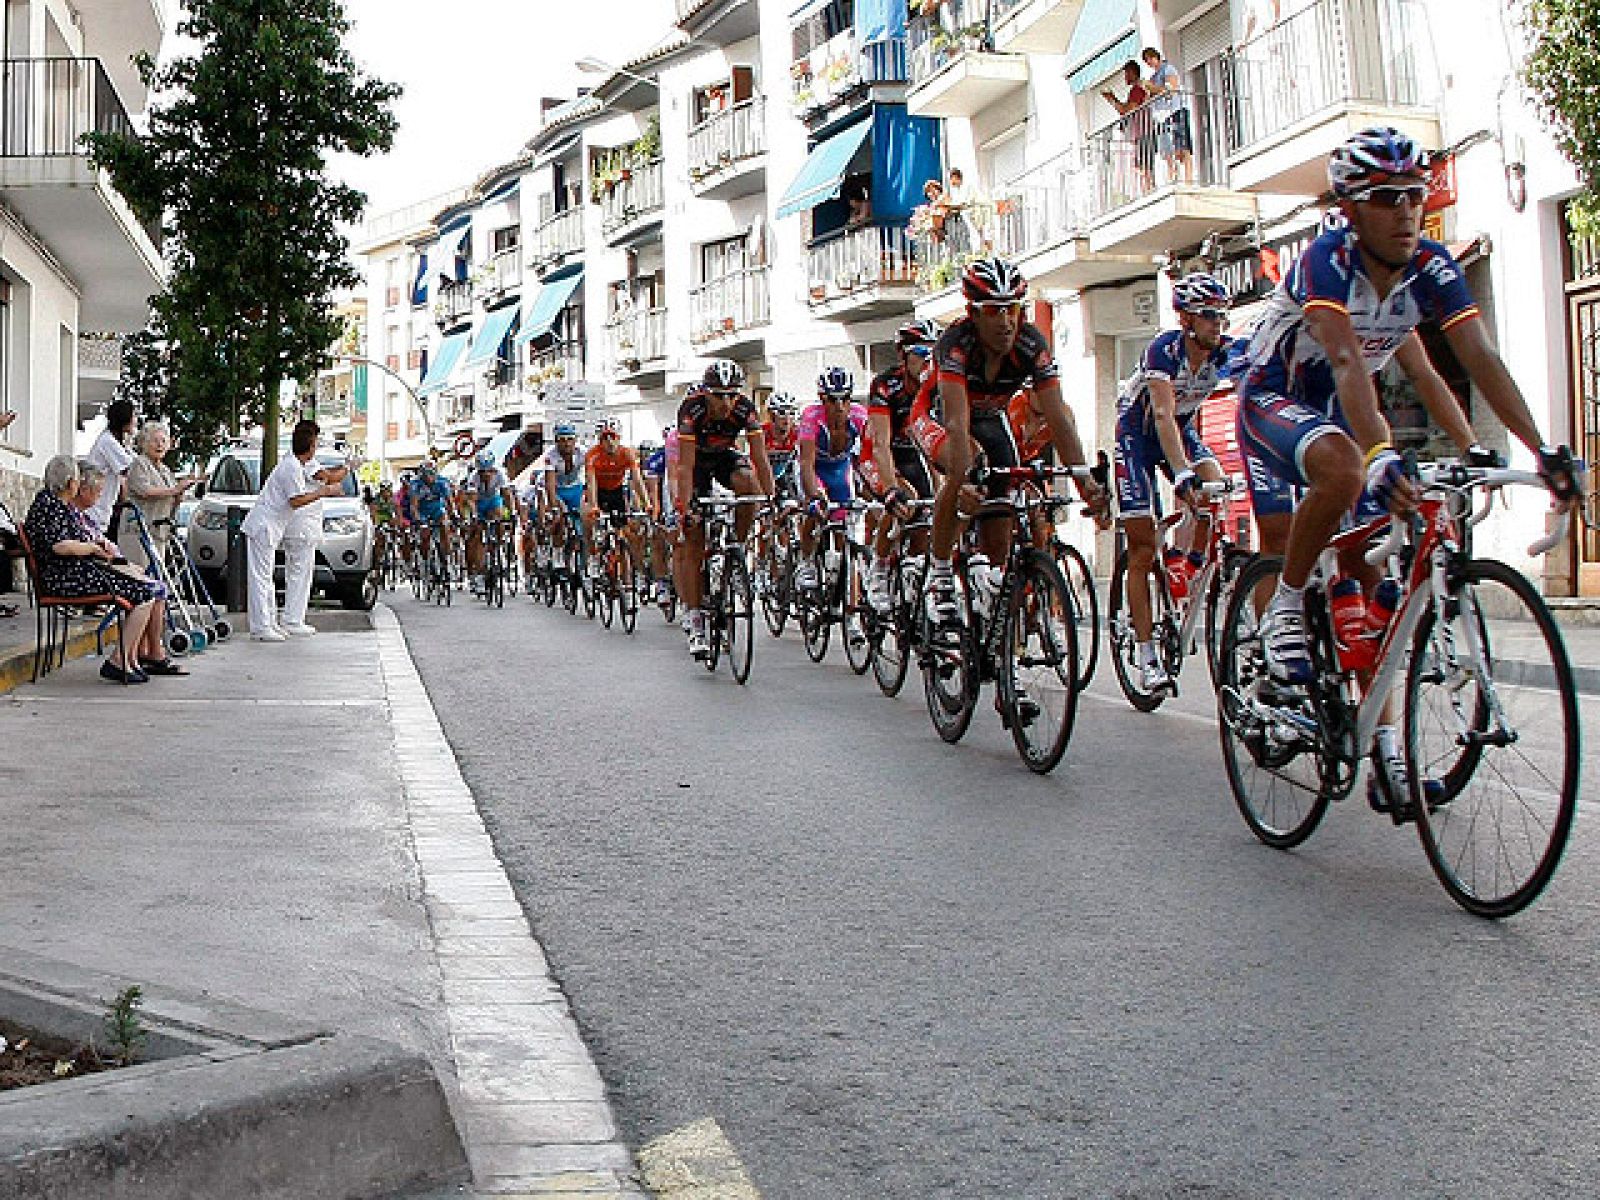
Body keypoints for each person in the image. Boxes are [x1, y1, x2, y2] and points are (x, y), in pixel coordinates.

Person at [1237, 126, 1581, 811]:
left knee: (1370, 581)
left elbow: (1474, 360)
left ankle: (1385, 747)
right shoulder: (1327, 262)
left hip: (1346, 414)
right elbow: (1344, 362)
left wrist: (1538, 450)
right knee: (1345, 467)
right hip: (1276, 401)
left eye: (1415, 195)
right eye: (1386, 197)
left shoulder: (1430, 268)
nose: (1406, 211)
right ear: (1350, 208)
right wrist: (1379, 453)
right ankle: (1286, 606)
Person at [923, 256, 1106, 624]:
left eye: (1014, 309)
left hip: (990, 417)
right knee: (963, 467)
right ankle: (939, 574)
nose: (1006, 321)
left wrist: (1085, 481)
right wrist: (963, 478)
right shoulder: (956, 344)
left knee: (1003, 503)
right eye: (994, 310)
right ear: (974, 313)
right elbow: (957, 423)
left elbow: (1059, 419)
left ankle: (989, 605)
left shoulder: (1031, 343)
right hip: (939, 414)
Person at [1114, 272, 1235, 693]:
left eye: (1221, 315)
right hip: (1137, 437)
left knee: (1216, 488)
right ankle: (1147, 657)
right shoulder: (1164, 350)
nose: (1217, 324)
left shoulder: (1223, 352)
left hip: (1181, 432)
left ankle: (1188, 564)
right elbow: (1162, 415)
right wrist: (1181, 473)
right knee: (1143, 546)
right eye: (1208, 316)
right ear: (1186, 320)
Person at [24, 455, 169, 682]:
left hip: (71, 573)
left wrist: (96, 549)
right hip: (65, 578)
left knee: (144, 589)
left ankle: (129, 659)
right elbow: (61, 546)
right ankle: (119, 661)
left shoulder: (53, 504)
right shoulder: (51, 506)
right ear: (71, 483)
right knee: (144, 594)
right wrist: (92, 548)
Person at [675, 361, 776, 659]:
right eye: (719, 396)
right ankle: (695, 617)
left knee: (749, 485)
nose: (726, 402)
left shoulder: (745, 408)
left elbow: (760, 458)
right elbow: (685, 467)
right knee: (694, 538)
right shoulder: (691, 409)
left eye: (732, 395)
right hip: (697, 465)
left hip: (723, 458)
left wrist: (770, 498)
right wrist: (686, 508)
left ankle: (736, 547)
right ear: (706, 393)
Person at [241, 421, 346, 642]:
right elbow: (296, 500)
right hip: (264, 525)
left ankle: (269, 622)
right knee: (261, 578)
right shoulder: (291, 467)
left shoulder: (294, 465)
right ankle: (261, 626)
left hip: (270, 527)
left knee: (265, 577)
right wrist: (324, 491)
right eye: (315, 444)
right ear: (310, 447)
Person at [864, 318, 941, 610]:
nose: (928, 361)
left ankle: (913, 575)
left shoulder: (939, 385)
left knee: (927, 513)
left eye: (933, 353)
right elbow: (880, 445)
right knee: (902, 499)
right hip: (878, 455)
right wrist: (890, 489)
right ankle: (879, 568)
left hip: (913, 455)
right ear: (903, 355)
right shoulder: (886, 385)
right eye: (921, 353)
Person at [794, 367, 870, 592]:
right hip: (814, 469)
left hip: (839, 469)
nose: (839, 406)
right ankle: (806, 562)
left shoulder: (859, 416)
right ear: (822, 398)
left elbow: (869, 458)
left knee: (842, 522)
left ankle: (840, 578)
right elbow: (806, 464)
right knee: (814, 509)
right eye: (832, 399)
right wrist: (814, 496)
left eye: (845, 399)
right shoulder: (811, 417)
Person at [118, 421, 202, 571]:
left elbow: (173, 497)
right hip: (138, 532)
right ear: (144, 443)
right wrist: (175, 490)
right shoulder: (139, 464)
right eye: (155, 441)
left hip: (159, 532)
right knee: (140, 574)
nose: (160, 445)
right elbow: (145, 491)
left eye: (163, 441)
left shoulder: (165, 470)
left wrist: (180, 492)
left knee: (158, 576)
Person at [583, 416, 651, 580]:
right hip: (598, 492)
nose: (609, 442)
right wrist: (594, 506)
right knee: (589, 521)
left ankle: (629, 578)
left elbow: (637, 480)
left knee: (625, 533)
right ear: (599, 440)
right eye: (604, 438)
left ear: (618, 438)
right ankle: (593, 556)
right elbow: (591, 483)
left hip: (617, 492)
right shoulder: (593, 455)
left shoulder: (627, 453)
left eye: (612, 437)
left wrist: (647, 503)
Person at [85, 399, 138, 539]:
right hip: (96, 509)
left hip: (102, 508)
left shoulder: (115, 442)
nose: (135, 421)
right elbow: (133, 470)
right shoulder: (108, 442)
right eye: (133, 416)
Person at [462, 449, 515, 591]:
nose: (486, 474)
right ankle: (479, 573)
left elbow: (507, 495)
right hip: (479, 503)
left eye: (489, 471)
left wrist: (512, 513)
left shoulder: (500, 474)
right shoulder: (473, 477)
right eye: (482, 471)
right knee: (477, 535)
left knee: (499, 518)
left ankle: (499, 546)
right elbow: (471, 500)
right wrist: (474, 515)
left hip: (493, 501)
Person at [1142, 46, 1193, 184]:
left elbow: (1172, 89)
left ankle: (1188, 179)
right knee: (1167, 150)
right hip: (1162, 116)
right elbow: (1150, 97)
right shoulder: (1153, 77)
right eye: (1146, 61)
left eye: (1149, 59)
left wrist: (1153, 88)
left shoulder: (1168, 69)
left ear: (1155, 57)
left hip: (1175, 110)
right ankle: (1173, 176)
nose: (1149, 62)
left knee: (1182, 148)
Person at [1101, 61, 1154, 194]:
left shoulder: (1137, 90)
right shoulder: (1138, 89)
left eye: (1126, 73)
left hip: (1143, 132)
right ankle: (1147, 191)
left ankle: (1148, 192)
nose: (1125, 77)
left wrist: (1112, 99)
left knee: (1144, 167)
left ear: (1132, 73)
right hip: (1142, 132)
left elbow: (1127, 110)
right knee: (1142, 166)